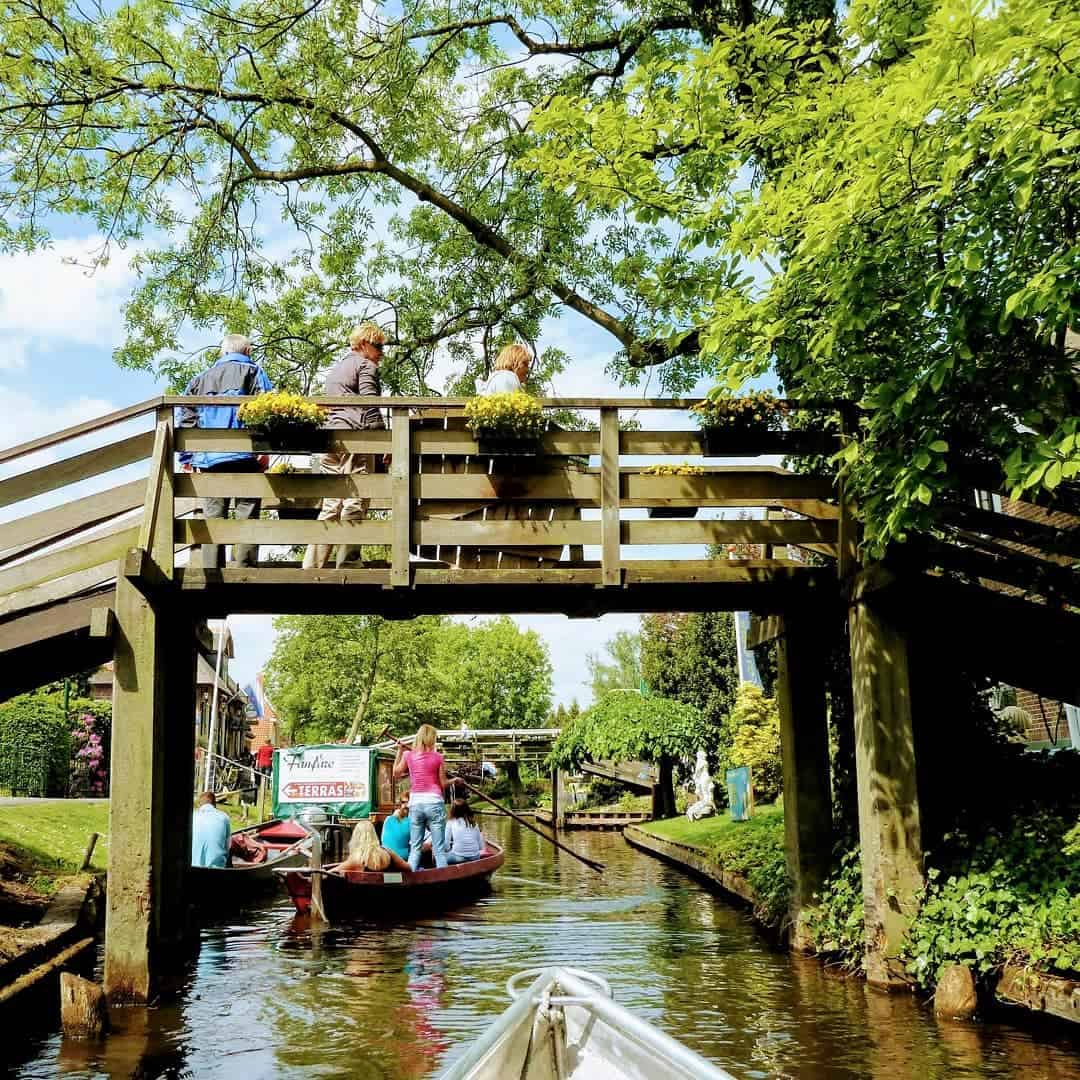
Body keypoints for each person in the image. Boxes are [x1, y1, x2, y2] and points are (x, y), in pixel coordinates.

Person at [177, 333, 274, 569]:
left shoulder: (199, 380)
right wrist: (265, 449)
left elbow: (187, 418)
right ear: (247, 351)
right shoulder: (255, 373)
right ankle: (243, 567)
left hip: (210, 457)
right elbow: (267, 410)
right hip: (246, 455)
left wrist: (188, 457)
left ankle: (212, 570)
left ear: (223, 352)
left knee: (214, 515)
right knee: (247, 512)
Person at [304, 322, 388, 570]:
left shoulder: (338, 368)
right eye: (378, 346)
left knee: (331, 502)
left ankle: (312, 565)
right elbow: (370, 405)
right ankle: (348, 561)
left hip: (332, 438)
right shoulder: (365, 365)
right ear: (363, 344)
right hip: (356, 437)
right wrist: (385, 442)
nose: (382, 351)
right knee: (356, 498)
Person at [393, 724, 457, 871]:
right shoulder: (438, 757)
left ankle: (411, 881)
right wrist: (455, 780)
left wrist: (399, 751)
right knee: (439, 848)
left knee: (415, 848)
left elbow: (396, 773)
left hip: (416, 804)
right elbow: (443, 784)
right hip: (434, 802)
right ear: (431, 738)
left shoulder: (408, 755)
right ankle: (443, 882)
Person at [339, 818, 410, 873]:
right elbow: (408, 868)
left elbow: (330, 874)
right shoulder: (388, 852)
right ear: (374, 834)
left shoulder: (357, 859)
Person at [191, 791, 231, 868]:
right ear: (214, 804)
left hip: (193, 868)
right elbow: (228, 847)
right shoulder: (224, 817)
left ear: (200, 804)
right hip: (216, 869)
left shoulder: (192, 816)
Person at [445, 798, 485, 864]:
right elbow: (480, 846)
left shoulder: (450, 822)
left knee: (438, 857)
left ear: (452, 811)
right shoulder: (474, 823)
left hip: (458, 857)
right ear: (467, 809)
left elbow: (446, 846)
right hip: (475, 857)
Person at [380, 792, 411, 861]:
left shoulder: (388, 819)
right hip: (402, 858)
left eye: (408, 802)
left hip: (385, 857)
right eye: (404, 802)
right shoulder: (410, 821)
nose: (406, 805)